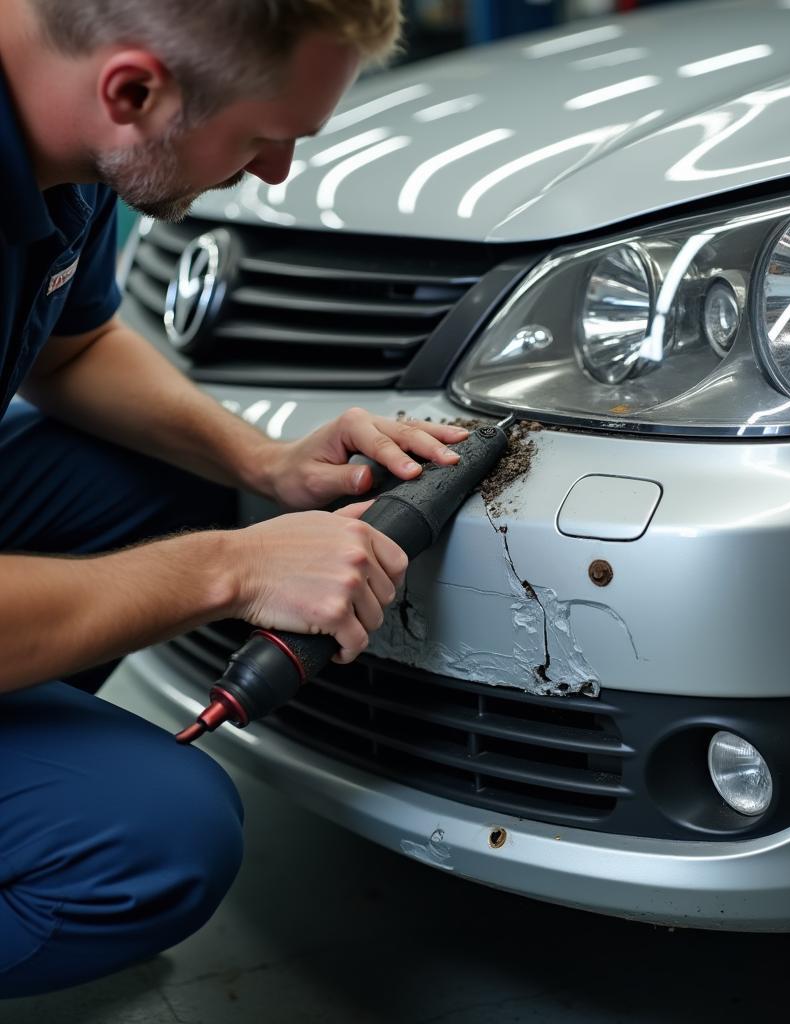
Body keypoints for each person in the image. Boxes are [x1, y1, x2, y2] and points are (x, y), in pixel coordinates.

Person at [0, 0, 469, 997]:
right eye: (263, 138)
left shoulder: (61, 134)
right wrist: (231, 568)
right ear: (134, 90)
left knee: (170, 470)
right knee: (153, 843)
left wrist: (263, 464)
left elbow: (69, 344)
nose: (274, 174)